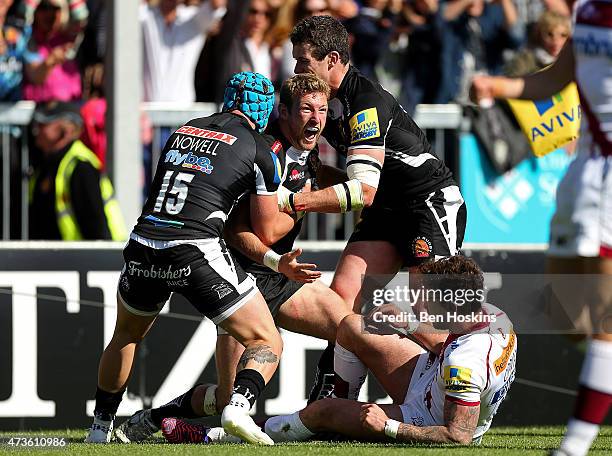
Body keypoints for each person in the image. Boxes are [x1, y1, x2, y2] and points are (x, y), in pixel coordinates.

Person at [112, 73, 354, 444]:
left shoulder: (306, 154)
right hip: (239, 277)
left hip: (281, 276)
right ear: (283, 112)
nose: (316, 119)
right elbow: (242, 231)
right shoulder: (263, 150)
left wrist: (364, 193)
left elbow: (318, 176)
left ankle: (321, 416)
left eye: (322, 110)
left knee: (349, 330)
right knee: (227, 399)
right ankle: (155, 417)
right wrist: (302, 205)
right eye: (306, 109)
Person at [85, 72, 285, 446]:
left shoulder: (185, 129)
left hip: (144, 242)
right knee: (266, 338)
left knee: (125, 335)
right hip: (194, 248)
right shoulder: (261, 149)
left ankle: (100, 427)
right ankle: (238, 407)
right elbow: (269, 229)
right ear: (265, 108)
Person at [284, 15, 467, 400]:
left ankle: (461, 399)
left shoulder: (366, 102)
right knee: (343, 301)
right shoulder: (327, 102)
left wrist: (294, 201)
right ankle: (333, 400)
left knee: (429, 315)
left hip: (428, 205)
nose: (297, 70)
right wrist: (314, 172)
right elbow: (367, 187)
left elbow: (362, 192)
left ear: (331, 60)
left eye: (304, 62)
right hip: (387, 209)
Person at [163, 256, 517, 445]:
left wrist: (390, 428)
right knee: (351, 325)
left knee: (324, 411)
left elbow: (459, 436)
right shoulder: (493, 318)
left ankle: (213, 436)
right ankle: (340, 409)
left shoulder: (464, 364)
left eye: (425, 299)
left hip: (431, 416)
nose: (417, 303)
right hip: (434, 382)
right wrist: (407, 325)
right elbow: (446, 345)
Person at [471, 1, 612, 453]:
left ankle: (573, 446)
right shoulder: (589, 11)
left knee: (607, 319)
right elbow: (556, 77)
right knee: (566, 316)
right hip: (580, 178)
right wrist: (500, 85)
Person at [28, 101, 126, 240]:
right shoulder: (44, 165)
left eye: (44, 124)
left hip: (87, 258)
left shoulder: (81, 167)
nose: (36, 129)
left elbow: (96, 227)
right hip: (61, 258)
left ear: (67, 130)